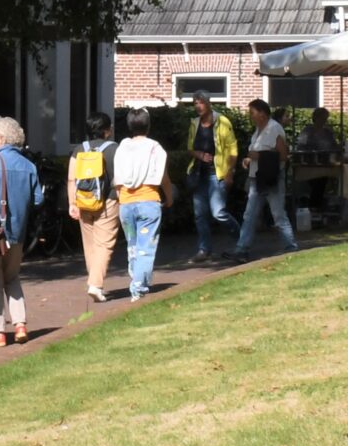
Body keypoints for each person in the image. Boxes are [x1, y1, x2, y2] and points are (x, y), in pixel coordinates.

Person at [0, 118, 41, 346]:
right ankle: (20, 324)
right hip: (17, 233)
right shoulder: (29, 166)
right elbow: (38, 200)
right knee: (12, 277)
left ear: (1, 138)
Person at [111, 109, 172, 299]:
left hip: (126, 203)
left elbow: (118, 179)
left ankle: (136, 279)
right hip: (148, 201)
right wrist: (169, 197)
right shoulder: (155, 148)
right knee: (146, 247)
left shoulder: (122, 147)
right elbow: (162, 177)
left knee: (133, 246)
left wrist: (122, 199)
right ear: (148, 125)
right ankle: (138, 288)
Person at [232, 98, 300, 263]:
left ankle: (291, 247)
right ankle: (241, 249)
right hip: (257, 178)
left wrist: (258, 156)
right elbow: (255, 153)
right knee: (250, 215)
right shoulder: (257, 131)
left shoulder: (274, 128)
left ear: (262, 113)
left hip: (272, 178)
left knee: (278, 214)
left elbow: (283, 155)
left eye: (252, 112)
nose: (251, 116)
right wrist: (249, 160)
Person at [69, 112, 121, 302]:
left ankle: (94, 281)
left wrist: (72, 203)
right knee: (104, 244)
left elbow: (71, 179)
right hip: (107, 201)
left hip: (83, 201)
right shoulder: (114, 149)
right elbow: (120, 178)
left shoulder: (78, 150)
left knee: (90, 245)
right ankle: (95, 285)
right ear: (107, 130)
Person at [181, 95, 235, 262]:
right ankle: (204, 249)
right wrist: (199, 154)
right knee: (200, 214)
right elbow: (190, 148)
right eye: (195, 103)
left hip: (216, 174)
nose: (198, 106)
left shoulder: (222, 121)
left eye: (201, 102)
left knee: (218, 212)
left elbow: (232, 149)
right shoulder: (194, 123)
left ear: (209, 103)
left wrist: (230, 173)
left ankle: (241, 239)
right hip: (199, 173)